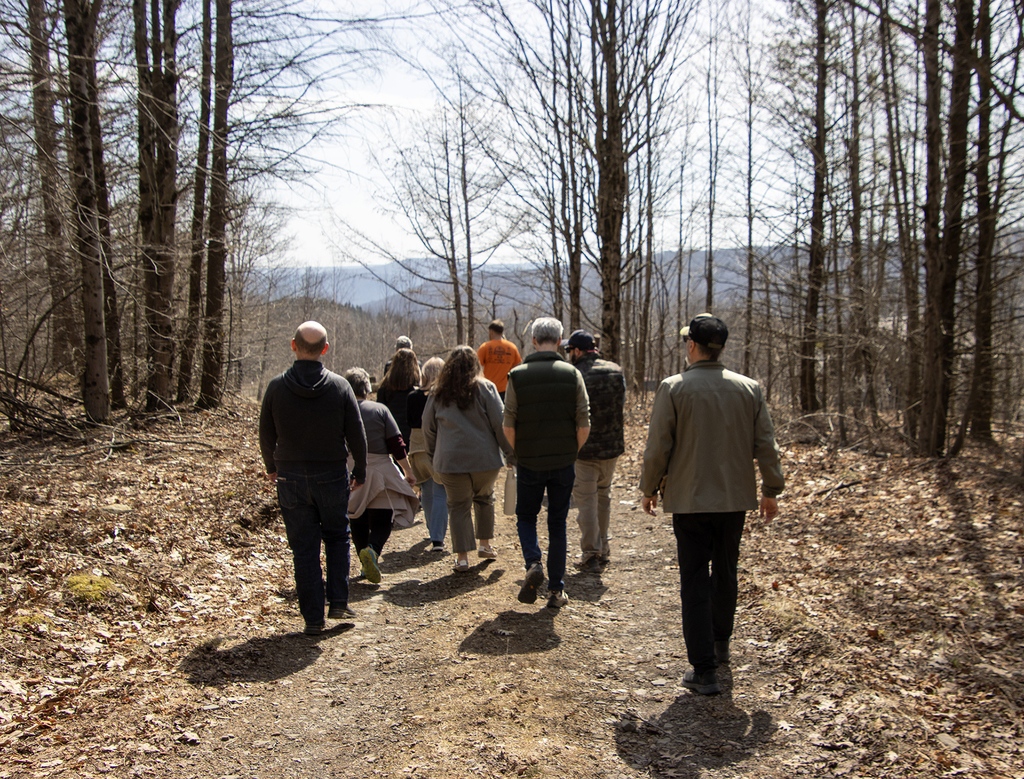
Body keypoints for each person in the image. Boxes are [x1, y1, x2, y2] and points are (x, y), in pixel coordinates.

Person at [640, 313, 784, 696]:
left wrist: (649, 486)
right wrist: (772, 488)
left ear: (691, 346)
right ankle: (720, 644)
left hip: (689, 500)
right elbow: (766, 444)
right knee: (725, 571)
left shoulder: (673, 388)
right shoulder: (749, 388)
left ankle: (704, 668)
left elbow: (659, 446)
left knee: (694, 579)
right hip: (733, 499)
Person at [258, 321, 368, 636]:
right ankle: (337, 601)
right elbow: (356, 433)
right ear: (325, 349)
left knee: (303, 548)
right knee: (336, 537)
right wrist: (360, 469)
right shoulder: (339, 386)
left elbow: (266, 431)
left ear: (293, 346)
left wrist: (271, 465)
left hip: (290, 476)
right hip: (332, 474)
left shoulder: (276, 387)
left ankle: (312, 619)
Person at [503, 317, 590, 609]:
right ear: (561, 340)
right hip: (564, 462)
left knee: (526, 516)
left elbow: (508, 424)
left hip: (529, 462)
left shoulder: (517, 375)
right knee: (557, 523)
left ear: (534, 341)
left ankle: (533, 562)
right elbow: (584, 423)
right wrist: (571, 452)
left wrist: (519, 453)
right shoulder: (573, 374)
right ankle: (555, 591)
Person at [423, 346, 515, 572]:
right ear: (476, 364)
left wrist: (434, 454)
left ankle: (462, 558)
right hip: (485, 460)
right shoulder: (487, 388)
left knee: (458, 506)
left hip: (450, 461)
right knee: (484, 498)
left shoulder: (438, 392)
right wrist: (511, 453)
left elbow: (428, 428)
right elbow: (499, 424)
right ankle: (485, 545)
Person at [342, 367, 418, 585]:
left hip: (349, 469)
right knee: (384, 517)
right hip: (381, 470)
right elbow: (396, 443)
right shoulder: (380, 409)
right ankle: (373, 551)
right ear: (367, 388)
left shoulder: (340, 410)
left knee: (356, 516)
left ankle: (365, 562)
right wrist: (408, 471)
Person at [564, 330, 625, 573]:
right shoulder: (616, 370)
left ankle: (591, 551)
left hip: (584, 448)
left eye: (570, 351)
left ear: (577, 351)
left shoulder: (574, 375)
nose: (569, 355)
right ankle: (604, 547)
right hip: (612, 447)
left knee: (586, 501)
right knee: (604, 496)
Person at [407, 357, 449, 551]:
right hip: (437, 446)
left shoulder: (412, 397)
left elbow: (408, 421)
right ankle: (438, 538)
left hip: (416, 448)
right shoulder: (444, 397)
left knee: (427, 491)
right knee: (441, 491)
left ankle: (433, 530)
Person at [377, 347, 419, 445]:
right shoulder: (416, 389)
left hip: (391, 435)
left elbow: (380, 413)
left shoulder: (384, 387)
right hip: (411, 438)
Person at [477, 319, 521, 399]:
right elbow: (517, 368)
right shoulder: (512, 347)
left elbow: (476, 367)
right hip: (506, 390)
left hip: (488, 389)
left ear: (491, 331)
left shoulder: (485, 347)